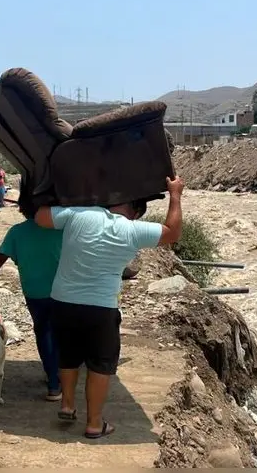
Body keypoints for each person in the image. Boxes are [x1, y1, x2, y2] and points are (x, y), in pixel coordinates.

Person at [34, 176, 185, 439]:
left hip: (62, 301)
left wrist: (72, 197)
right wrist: (175, 193)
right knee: (100, 365)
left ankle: (68, 404)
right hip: (100, 308)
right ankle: (94, 423)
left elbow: (41, 217)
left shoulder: (79, 215)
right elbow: (173, 232)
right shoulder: (133, 230)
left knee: (68, 356)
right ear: (136, 212)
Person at [0, 202, 63, 402]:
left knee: (44, 331)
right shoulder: (64, 229)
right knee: (60, 333)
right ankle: (58, 376)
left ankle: (54, 381)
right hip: (65, 291)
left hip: (35, 292)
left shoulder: (18, 232)